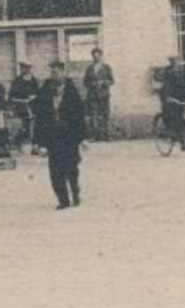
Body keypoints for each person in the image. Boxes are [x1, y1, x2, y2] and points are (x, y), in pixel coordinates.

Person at [34, 60, 87, 209]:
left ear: (63, 72)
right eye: (52, 72)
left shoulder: (72, 91)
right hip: (53, 138)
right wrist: (40, 143)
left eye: (56, 71)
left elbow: (79, 116)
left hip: (69, 137)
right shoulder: (45, 91)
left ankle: (75, 192)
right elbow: (40, 118)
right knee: (55, 171)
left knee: (71, 169)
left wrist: (82, 138)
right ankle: (63, 200)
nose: (53, 74)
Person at [156, 55, 185, 154]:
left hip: (183, 97)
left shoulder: (184, 72)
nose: (176, 64)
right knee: (172, 115)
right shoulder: (167, 73)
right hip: (170, 98)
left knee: (182, 120)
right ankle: (170, 131)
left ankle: (182, 141)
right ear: (171, 63)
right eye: (173, 62)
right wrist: (167, 97)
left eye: (178, 61)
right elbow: (166, 86)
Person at [8, 60, 40, 155]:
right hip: (20, 107)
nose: (25, 70)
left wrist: (34, 97)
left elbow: (39, 94)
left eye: (27, 68)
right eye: (23, 68)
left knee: (35, 125)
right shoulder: (17, 81)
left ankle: (35, 145)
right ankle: (18, 144)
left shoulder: (34, 80)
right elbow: (11, 97)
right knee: (22, 126)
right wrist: (20, 101)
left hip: (32, 107)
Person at [83, 48, 116, 141]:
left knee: (105, 115)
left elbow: (112, 81)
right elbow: (85, 82)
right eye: (94, 55)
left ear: (101, 56)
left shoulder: (106, 67)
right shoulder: (89, 68)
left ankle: (107, 135)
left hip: (104, 95)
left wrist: (104, 82)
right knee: (94, 115)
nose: (96, 57)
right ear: (92, 56)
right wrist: (92, 83)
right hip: (92, 96)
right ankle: (95, 136)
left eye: (98, 55)